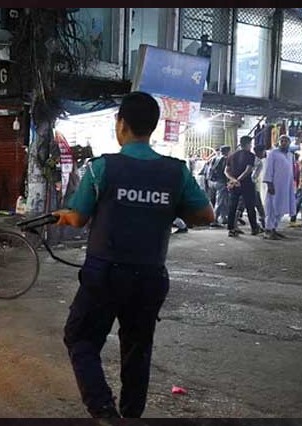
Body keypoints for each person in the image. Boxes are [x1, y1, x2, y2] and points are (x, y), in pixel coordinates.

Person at [53, 92, 214, 419]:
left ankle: (103, 410)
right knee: (137, 352)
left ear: (121, 124)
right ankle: (130, 416)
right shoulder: (177, 173)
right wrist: (169, 208)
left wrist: (65, 215)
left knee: (80, 339)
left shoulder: (101, 169)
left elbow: (79, 217)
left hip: (104, 275)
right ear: (152, 128)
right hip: (150, 277)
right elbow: (206, 215)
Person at [225, 136, 262, 237]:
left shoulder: (231, 156)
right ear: (248, 144)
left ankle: (231, 229)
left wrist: (233, 180)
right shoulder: (250, 155)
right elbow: (248, 169)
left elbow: (226, 171)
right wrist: (238, 180)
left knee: (232, 206)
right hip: (246, 184)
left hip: (234, 185)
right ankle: (254, 228)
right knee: (250, 207)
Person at [263, 135, 296, 240]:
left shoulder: (290, 155)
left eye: (286, 141)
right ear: (278, 142)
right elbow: (268, 169)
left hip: (286, 186)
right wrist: (269, 183)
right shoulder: (273, 153)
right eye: (282, 140)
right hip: (275, 185)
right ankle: (268, 231)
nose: (284, 142)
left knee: (281, 208)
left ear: (289, 143)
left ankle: (274, 229)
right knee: (272, 208)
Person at [207, 145, 231, 226]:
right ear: (228, 151)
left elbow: (209, 170)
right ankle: (214, 219)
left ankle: (223, 218)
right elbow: (226, 172)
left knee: (218, 201)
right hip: (221, 182)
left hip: (212, 182)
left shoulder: (213, 158)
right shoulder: (225, 159)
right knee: (220, 202)